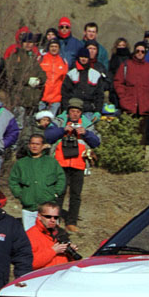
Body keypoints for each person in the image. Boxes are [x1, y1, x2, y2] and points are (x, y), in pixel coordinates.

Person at [45, 98, 100, 232]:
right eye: (72, 111)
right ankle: (55, 220)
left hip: (79, 164)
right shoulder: (59, 122)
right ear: (67, 112)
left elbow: (97, 141)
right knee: (59, 193)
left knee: (76, 195)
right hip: (60, 163)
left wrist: (85, 133)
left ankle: (72, 222)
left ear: (80, 113)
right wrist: (63, 130)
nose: (74, 114)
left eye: (77, 112)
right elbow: (47, 135)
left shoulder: (86, 124)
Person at [9, 134, 66, 230]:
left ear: (43, 146)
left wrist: (56, 193)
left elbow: (61, 178)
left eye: (37, 144)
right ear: (29, 145)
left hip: (48, 206)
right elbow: (13, 181)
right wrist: (20, 195)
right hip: (29, 207)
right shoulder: (21, 163)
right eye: (32, 143)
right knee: (30, 236)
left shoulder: (51, 162)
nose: (34, 146)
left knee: (50, 235)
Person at [114, 41, 149, 143]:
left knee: (142, 135)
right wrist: (122, 96)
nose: (140, 53)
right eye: (138, 51)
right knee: (128, 134)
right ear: (134, 52)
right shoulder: (126, 65)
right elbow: (118, 82)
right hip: (128, 106)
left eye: (142, 51)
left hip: (144, 107)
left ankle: (141, 157)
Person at [27, 201, 79, 269]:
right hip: (44, 277)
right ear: (39, 216)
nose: (52, 220)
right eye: (48, 217)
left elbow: (69, 261)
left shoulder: (60, 232)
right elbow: (30, 263)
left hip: (62, 275)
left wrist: (70, 252)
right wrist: (53, 251)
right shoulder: (30, 235)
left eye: (55, 217)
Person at [61, 47, 105, 119]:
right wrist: (65, 109)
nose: (83, 59)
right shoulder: (72, 73)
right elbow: (65, 93)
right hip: (73, 110)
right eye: (81, 57)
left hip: (89, 110)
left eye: (85, 57)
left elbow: (99, 95)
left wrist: (98, 111)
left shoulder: (95, 74)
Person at [39, 39, 69, 116]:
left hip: (56, 98)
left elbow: (65, 80)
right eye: (52, 46)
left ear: (59, 48)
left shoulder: (63, 61)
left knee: (51, 120)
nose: (54, 48)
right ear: (48, 47)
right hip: (42, 97)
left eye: (56, 46)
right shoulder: (42, 59)